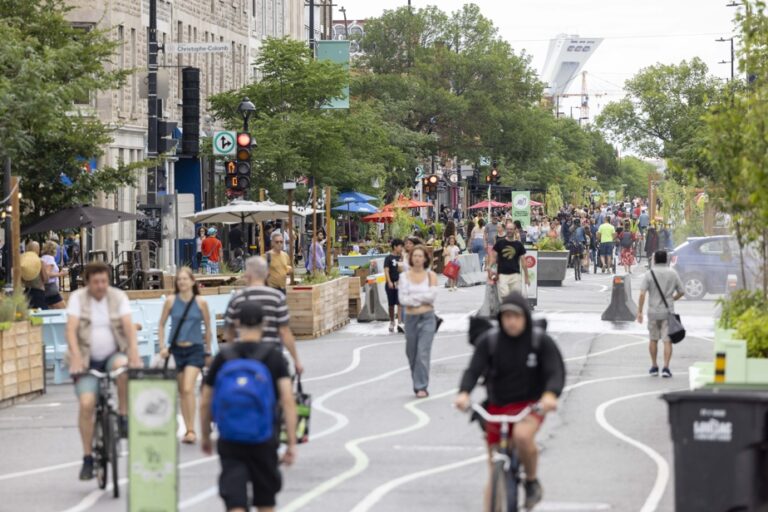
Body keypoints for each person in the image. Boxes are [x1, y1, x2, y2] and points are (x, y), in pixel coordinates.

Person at [455, 293, 565, 511]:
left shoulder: (539, 341)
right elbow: (473, 369)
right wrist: (464, 393)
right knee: (492, 467)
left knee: (522, 436)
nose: (511, 321)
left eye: (516, 316)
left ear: (525, 317)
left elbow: (555, 371)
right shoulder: (491, 341)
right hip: (496, 408)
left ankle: (532, 481)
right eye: (506, 316)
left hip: (530, 406)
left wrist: (550, 395)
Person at [200, 301, 297, 512]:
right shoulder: (274, 357)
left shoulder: (223, 357)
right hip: (264, 438)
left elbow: (205, 400)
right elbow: (288, 401)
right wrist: (291, 442)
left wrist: (206, 435)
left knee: (235, 502)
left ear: (236, 323)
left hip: (230, 438)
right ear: (264, 324)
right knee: (265, 501)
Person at [65, 261, 141, 480]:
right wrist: (76, 357)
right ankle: (88, 457)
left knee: (123, 369)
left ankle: (124, 417)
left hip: (112, 354)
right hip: (86, 359)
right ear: (87, 282)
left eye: (104, 281)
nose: (101, 286)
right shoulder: (78, 298)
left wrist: (133, 353)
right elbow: (70, 330)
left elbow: (128, 326)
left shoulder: (117, 297)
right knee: (87, 403)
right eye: (96, 282)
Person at [158, 267, 212, 444]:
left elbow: (208, 329)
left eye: (185, 279)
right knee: (182, 391)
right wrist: (162, 347)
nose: (182, 282)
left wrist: (208, 350)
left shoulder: (200, 302)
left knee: (188, 388)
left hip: (195, 349)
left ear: (192, 281)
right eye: (179, 279)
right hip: (177, 349)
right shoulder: (171, 301)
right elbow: (161, 325)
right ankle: (189, 428)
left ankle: (191, 429)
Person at [224, 256, 303, 375]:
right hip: (272, 358)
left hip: (244, 359)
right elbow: (284, 332)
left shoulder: (237, 299)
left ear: (247, 275)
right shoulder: (277, 298)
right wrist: (296, 360)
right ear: (266, 274)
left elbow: (229, 333)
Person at [637, 250, 685, 378]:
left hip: (653, 312)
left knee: (653, 339)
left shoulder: (649, 274)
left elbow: (642, 294)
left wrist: (640, 311)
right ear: (666, 260)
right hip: (667, 312)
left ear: (655, 260)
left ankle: (654, 366)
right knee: (667, 341)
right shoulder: (673, 273)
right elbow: (682, 291)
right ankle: (666, 368)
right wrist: (672, 299)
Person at [398, 246, 438, 398]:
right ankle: (417, 379)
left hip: (428, 317)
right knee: (411, 352)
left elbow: (432, 296)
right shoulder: (404, 277)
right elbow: (403, 299)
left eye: (420, 256)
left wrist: (414, 299)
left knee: (423, 352)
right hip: (410, 318)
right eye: (415, 255)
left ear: (425, 258)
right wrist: (422, 298)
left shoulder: (431, 276)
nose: (417, 258)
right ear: (411, 258)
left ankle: (421, 386)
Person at [488, 220, 530, 302]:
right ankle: (505, 312)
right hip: (502, 275)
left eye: (511, 229)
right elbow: (493, 257)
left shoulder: (519, 245)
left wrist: (526, 277)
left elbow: (524, 262)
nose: (509, 231)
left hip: (516, 275)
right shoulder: (500, 243)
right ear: (505, 230)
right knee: (505, 297)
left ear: (515, 230)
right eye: (508, 229)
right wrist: (489, 266)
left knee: (516, 299)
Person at [384, 239, 404, 333]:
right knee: (391, 304)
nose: (401, 248)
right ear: (395, 247)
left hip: (400, 284)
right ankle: (392, 321)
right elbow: (386, 271)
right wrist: (389, 281)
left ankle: (399, 322)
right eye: (400, 246)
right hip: (391, 283)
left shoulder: (402, 257)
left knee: (400, 303)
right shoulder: (388, 258)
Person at [21, 241, 48, 310]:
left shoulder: (23, 262)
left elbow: (22, 279)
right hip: (38, 292)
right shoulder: (40, 262)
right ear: (37, 250)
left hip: (27, 291)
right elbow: (45, 279)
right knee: (41, 315)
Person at [41, 241, 66, 309]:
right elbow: (47, 273)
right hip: (51, 288)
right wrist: (60, 274)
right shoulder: (50, 258)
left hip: (45, 288)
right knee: (64, 310)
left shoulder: (43, 258)